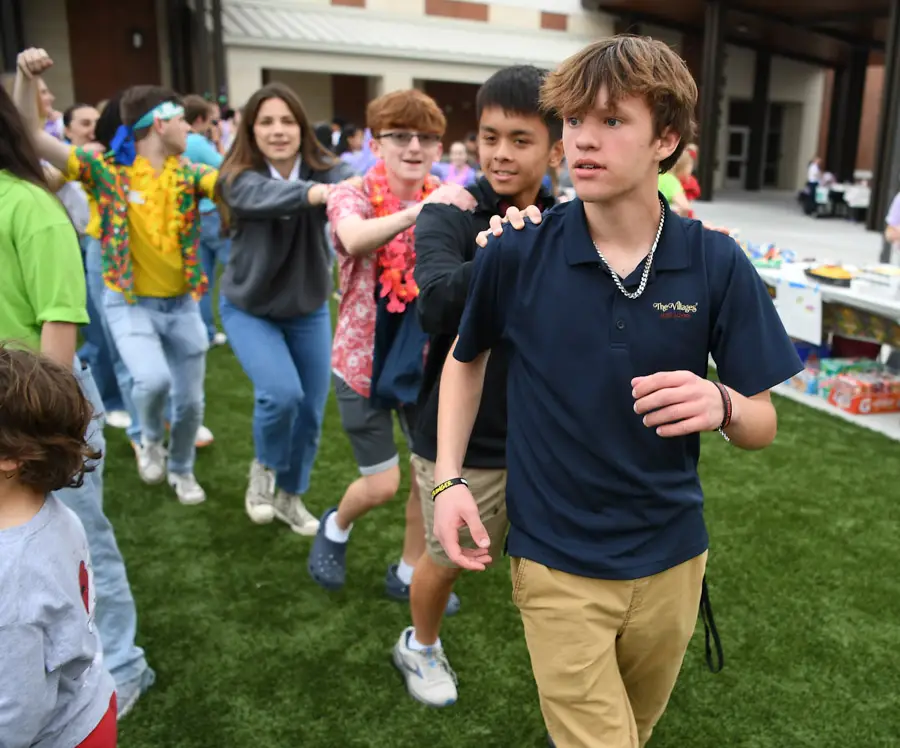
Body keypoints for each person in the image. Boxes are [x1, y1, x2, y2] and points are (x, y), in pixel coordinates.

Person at [431, 36, 803, 748]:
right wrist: (449, 479)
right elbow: (465, 359)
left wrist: (722, 404)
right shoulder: (518, 250)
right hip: (556, 561)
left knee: (635, 729)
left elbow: (763, 422)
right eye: (573, 122)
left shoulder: (714, 261)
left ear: (665, 139)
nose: (582, 142)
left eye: (611, 121)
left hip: (674, 559)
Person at [392, 64, 563, 708]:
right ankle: (422, 644)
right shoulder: (451, 214)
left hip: (547, 434)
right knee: (443, 558)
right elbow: (435, 307)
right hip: (462, 439)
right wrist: (499, 251)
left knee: (549, 560)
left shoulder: (570, 219)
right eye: (490, 136)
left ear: (556, 147)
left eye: (520, 139)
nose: (499, 153)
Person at [0, 80, 154, 717]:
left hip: (39, 410)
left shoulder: (30, 207)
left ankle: (121, 665)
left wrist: (36, 439)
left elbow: (59, 331)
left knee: (77, 537)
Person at [14, 47, 217, 505]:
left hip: (182, 303)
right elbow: (28, 134)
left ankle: (181, 468)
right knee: (151, 380)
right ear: (160, 123)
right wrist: (25, 79)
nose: (193, 127)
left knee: (192, 405)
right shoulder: (103, 172)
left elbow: (229, 184)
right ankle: (148, 438)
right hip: (129, 302)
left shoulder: (191, 174)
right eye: (184, 118)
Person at [307, 89, 475, 604]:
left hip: (425, 365)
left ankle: (409, 571)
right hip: (361, 363)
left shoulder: (450, 194)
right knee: (381, 485)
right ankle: (335, 526)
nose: (413, 146)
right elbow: (355, 238)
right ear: (377, 143)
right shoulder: (351, 192)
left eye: (426, 137)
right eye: (399, 136)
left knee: (428, 480)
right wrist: (422, 212)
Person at [217, 82, 355, 532]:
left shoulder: (329, 170)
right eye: (266, 122)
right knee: (281, 395)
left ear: (301, 127)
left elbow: (351, 187)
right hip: (249, 308)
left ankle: (290, 496)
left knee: (312, 410)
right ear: (251, 131)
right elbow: (259, 197)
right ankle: (264, 470)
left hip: (308, 309)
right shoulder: (237, 176)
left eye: (287, 121)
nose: (278, 131)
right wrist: (314, 195)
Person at [0, 346, 118, 747]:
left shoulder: (13, 576)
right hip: (89, 701)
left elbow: (17, 713)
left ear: (9, 458)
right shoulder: (50, 512)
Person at [183, 94, 229, 347]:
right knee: (237, 273)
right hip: (212, 214)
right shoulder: (198, 142)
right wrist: (219, 142)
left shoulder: (178, 143)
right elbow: (225, 168)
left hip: (193, 216)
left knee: (203, 279)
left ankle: (206, 333)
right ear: (200, 119)